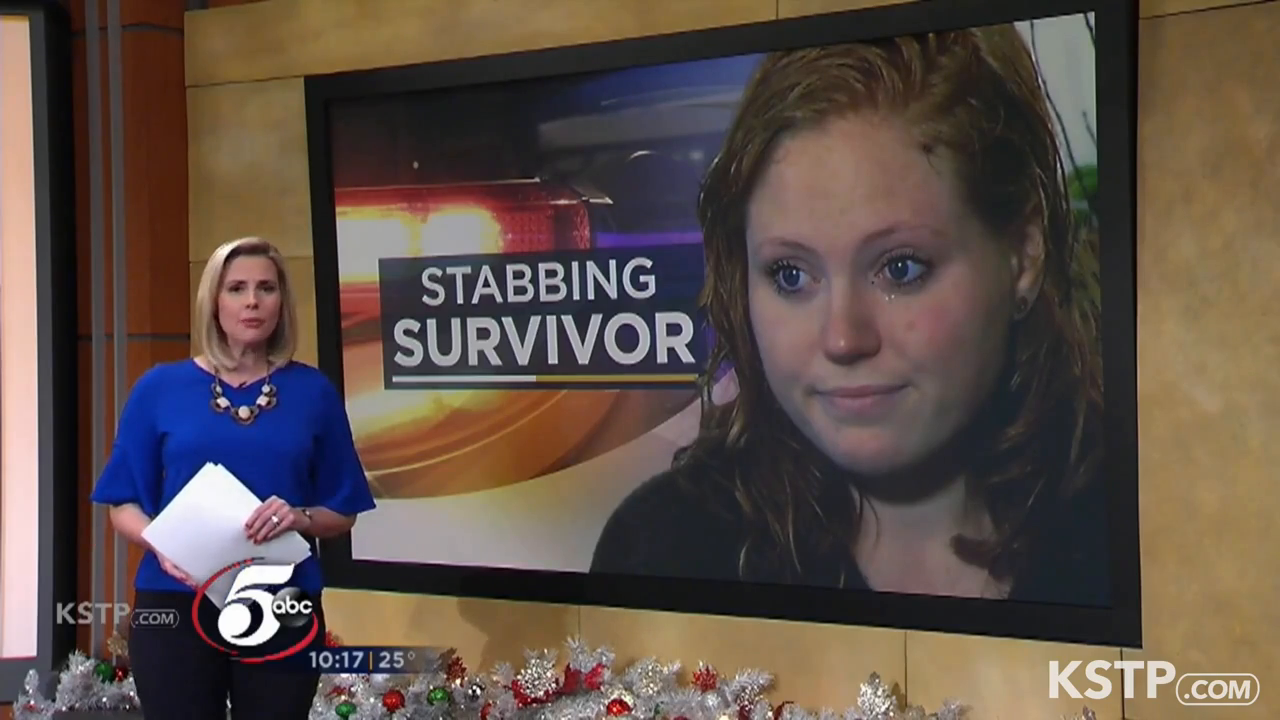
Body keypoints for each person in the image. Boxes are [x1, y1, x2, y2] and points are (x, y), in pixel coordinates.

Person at [591, 26, 1108, 605]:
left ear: (1023, 255)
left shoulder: (1145, 528)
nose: (842, 338)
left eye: (901, 269)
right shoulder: (663, 554)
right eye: (791, 275)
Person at [90, 237, 377, 719]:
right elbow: (123, 503)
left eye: (266, 288)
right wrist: (163, 543)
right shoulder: (159, 388)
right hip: (175, 600)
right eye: (237, 288)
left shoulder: (313, 392)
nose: (252, 301)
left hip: (282, 600)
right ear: (213, 302)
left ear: (281, 302)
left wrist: (300, 517)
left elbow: (342, 511)